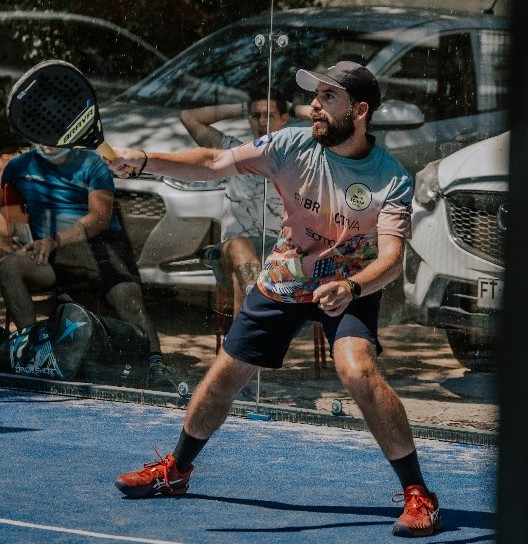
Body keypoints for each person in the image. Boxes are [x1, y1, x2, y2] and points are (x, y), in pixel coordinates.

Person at [106, 61, 441, 537]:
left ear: (360, 110)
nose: (315, 106)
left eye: (328, 98)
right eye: (315, 96)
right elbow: (213, 162)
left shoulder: (391, 179)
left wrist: (351, 287)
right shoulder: (289, 145)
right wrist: (144, 159)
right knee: (224, 376)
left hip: (350, 284)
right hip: (287, 277)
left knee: (358, 370)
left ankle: (419, 494)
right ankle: (175, 470)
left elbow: (390, 260)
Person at [0, 144, 172, 388]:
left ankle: (155, 363)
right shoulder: (18, 166)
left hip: (100, 248)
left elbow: (99, 218)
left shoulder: (93, 162)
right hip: (51, 252)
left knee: (128, 299)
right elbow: (3, 211)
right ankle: (35, 352)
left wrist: (54, 240)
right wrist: (7, 246)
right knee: (8, 266)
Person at [180, 89, 310, 315]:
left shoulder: (298, 156)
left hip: (280, 252)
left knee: (279, 260)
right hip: (233, 251)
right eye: (255, 115)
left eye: (269, 115)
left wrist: (293, 108)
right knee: (241, 246)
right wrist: (242, 108)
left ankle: (249, 321)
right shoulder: (234, 151)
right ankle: (258, 301)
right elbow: (189, 117)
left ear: (283, 118)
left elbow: (334, 124)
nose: (261, 122)